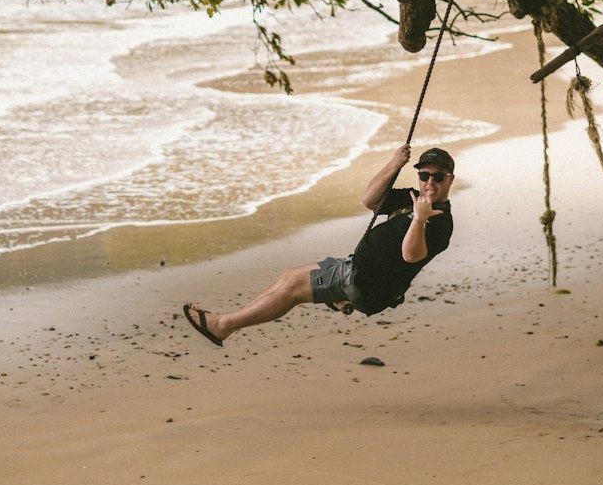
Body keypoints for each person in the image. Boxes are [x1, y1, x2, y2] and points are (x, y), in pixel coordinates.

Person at [182, 145, 455, 347]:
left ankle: (223, 325)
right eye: (424, 175)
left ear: (450, 179)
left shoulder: (440, 221)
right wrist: (394, 164)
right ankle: (228, 322)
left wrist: (418, 220)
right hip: (355, 267)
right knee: (289, 277)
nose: (430, 182)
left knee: (291, 289)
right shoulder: (412, 198)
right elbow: (369, 200)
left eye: (438, 177)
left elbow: (411, 256)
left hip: (364, 282)